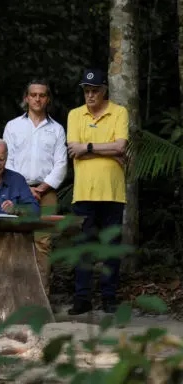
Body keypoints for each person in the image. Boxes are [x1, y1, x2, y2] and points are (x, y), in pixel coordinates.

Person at [66, 69, 128, 315]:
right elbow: (73, 148)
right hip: (84, 192)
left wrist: (88, 147)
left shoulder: (119, 112)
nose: (90, 95)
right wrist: (108, 148)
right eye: (86, 90)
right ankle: (82, 298)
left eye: (95, 90)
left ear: (104, 91)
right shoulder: (75, 114)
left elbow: (121, 146)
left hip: (113, 192)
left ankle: (109, 297)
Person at [3, 79, 67, 295]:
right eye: (33, 95)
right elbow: (6, 160)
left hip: (46, 193)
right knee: (15, 241)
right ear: (26, 98)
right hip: (16, 191)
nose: (37, 99)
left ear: (47, 99)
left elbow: (61, 163)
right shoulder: (13, 126)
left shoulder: (57, 129)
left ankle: (41, 297)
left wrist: (41, 188)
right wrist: (24, 188)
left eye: (42, 95)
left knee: (43, 243)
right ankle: (15, 296)